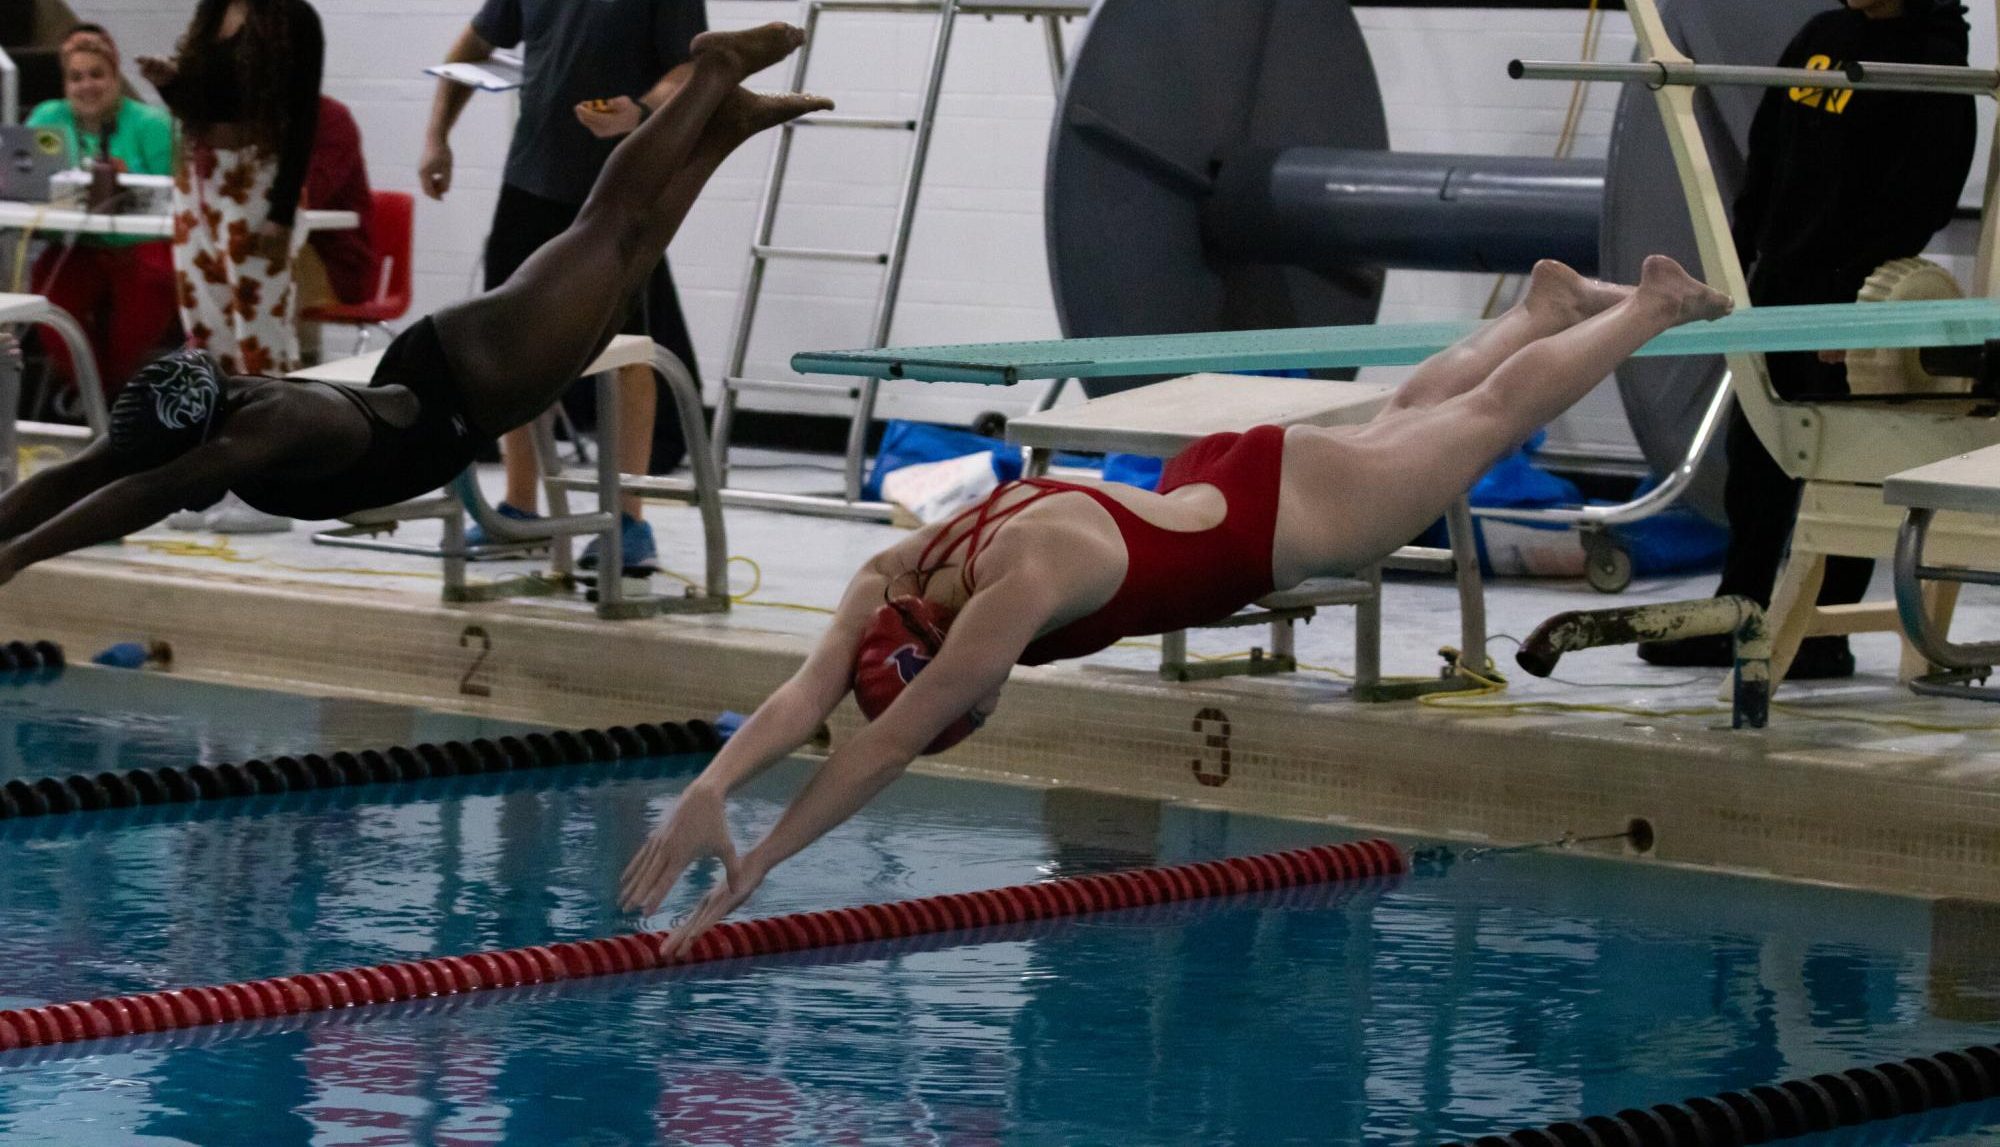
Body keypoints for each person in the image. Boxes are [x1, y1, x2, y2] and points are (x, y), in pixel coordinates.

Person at [618, 255, 1736, 956]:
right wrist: (711, 791)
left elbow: (879, 746)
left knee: (1481, 423)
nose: (983, 702)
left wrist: (765, 864)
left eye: (974, 701)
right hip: (1220, 476)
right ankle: (1541, 305)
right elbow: (815, 693)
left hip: (1279, 527)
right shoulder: (900, 574)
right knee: (1408, 415)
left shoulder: (1019, 594)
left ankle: (1646, 304)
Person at [0, 27, 824, 572]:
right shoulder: (207, 416)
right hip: (454, 387)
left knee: (611, 229)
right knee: (632, 255)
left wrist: (15, 564)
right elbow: (94, 468)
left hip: (474, 373)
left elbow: (145, 491)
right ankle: (727, 125)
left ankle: (714, 71)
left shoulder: (263, 428)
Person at [1637, 0, 1976, 678]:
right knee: (1757, 456)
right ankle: (1739, 610)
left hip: (1856, 298)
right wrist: (1741, 249)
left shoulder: (1936, 65)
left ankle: (1820, 631)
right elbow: (1768, 145)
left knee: (1840, 468)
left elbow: (1924, 196)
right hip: (1780, 283)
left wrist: (1856, 301)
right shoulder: (1822, 35)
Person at [421, 0, 711, 573]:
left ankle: (629, 517)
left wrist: (643, 109)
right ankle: (520, 507)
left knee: (627, 350)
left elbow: (692, 71)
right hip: (530, 181)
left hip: (621, 186)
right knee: (507, 343)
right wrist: (437, 137)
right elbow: (471, 48)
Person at [141, 0, 325, 378]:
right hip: (200, 178)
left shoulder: (295, 17)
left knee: (259, 322)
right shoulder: (211, 12)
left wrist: (282, 210)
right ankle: (219, 422)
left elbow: (304, 118)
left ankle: (278, 424)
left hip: (257, 175)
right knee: (203, 321)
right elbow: (199, 108)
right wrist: (169, 85)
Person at [25, 25, 177, 397]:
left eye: (97, 74)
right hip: (77, 246)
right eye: (76, 77)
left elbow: (171, 193)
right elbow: (23, 174)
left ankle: (115, 393)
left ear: (115, 77)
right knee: (47, 294)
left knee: (150, 286)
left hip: (142, 243)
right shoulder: (48, 116)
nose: (87, 85)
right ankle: (91, 393)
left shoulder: (152, 123)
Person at [299, 96, 376, 310]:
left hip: (335, 260)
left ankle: (289, 342)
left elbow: (310, 194)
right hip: (299, 250)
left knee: (267, 263)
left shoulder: (331, 119)